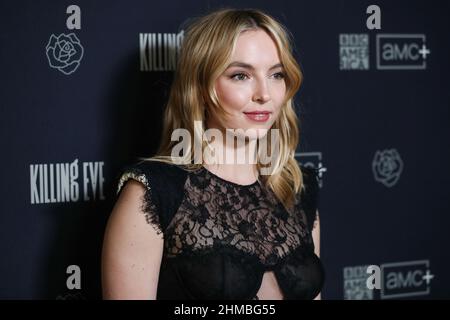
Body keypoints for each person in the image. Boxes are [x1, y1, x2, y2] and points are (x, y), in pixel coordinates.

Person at [101, 8, 324, 300]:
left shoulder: (297, 188)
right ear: (201, 87)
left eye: (276, 74)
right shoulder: (154, 192)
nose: (264, 94)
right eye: (241, 75)